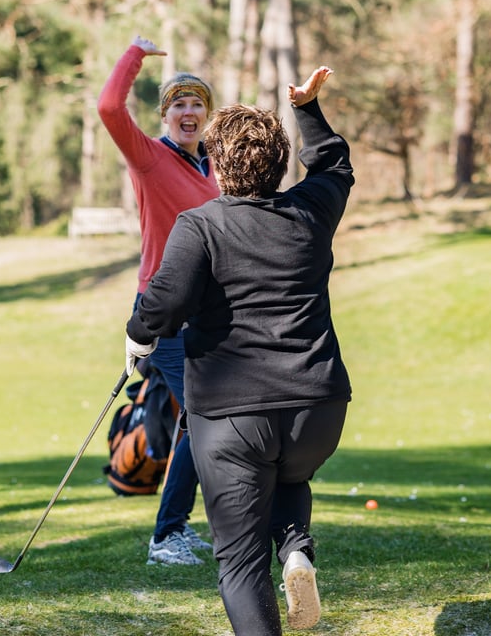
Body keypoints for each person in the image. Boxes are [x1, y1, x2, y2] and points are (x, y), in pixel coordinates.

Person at [124, 66, 352, 634]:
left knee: (240, 561)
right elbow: (334, 164)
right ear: (278, 163)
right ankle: (296, 550)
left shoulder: (199, 225)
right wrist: (306, 109)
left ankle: (285, 557)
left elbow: (163, 304)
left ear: (218, 165)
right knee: (288, 474)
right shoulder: (311, 211)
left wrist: (136, 337)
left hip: (231, 419)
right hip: (318, 412)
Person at [97, 35, 219, 566]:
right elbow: (107, 107)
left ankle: (175, 528)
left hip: (210, 312)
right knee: (200, 414)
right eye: (177, 104)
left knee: (205, 419)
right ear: (165, 115)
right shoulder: (149, 157)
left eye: (196, 104)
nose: (188, 111)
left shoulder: (213, 168)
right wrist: (133, 56)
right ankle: (167, 535)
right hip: (163, 309)